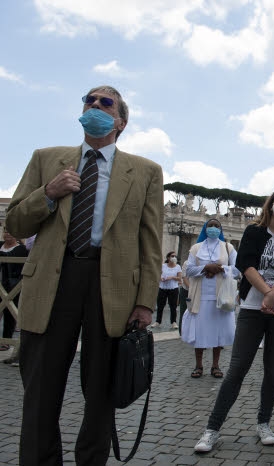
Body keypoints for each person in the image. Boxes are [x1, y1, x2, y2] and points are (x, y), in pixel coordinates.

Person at [5, 85, 163, 465]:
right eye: (88, 100)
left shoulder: (144, 171)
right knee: (40, 387)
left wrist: (144, 301)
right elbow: (14, 221)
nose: (93, 105)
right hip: (52, 281)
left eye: (104, 103)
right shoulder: (47, 159)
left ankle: (91, 460)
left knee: (101, 388)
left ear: (120, 121)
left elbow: (151, 243)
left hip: (111, 287)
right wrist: (48, 192)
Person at [194, 186, 274, 452]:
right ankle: (212, 428)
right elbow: (246, 263)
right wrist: (267, 293)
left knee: (273, 369)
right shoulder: (254, 231)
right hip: (253, 306)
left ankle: (263, 422)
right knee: (237, 369)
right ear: (270, 204)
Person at [181, 218, 239, 379]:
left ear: (221, 229)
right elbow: (189, 270)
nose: (213, 228)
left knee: (218, 332)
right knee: (199, 332)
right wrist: (205, 267)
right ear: (205, 228)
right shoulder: (196, 248)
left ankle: (215, 365)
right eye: (210, 225)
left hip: (221, 297)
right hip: (200, 296)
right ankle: (198, 365)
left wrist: (220, 269)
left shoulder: (228, 248)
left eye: (217, 226)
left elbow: (237, 269)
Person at [0, 230, 28, 350]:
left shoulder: (22, 249)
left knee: (9, 313)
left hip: (12, 286)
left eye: (10, 233)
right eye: (6, 232)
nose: (7, 234)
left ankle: (6, 341)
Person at [154, 251, 182, 329]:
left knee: (173, 306)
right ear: (168, 257)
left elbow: (179, 278)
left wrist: (172, 277)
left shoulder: (178, 267)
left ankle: (173, 322)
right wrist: (161, 278)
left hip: (173, 288)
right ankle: (157, 321)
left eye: (175, 256)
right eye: (172, 256)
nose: (174, 258)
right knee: (160, 305)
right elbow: (158, 274)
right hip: (163, 287)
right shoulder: (163, 266)